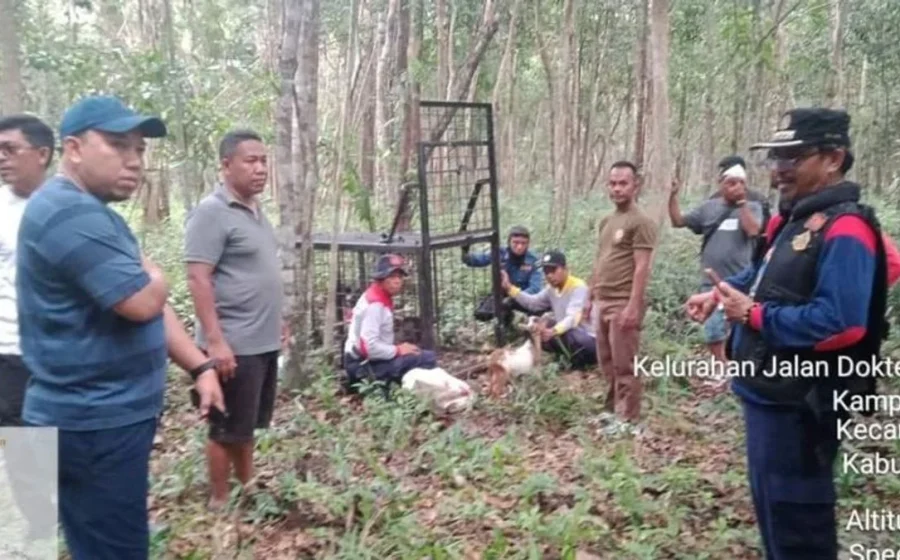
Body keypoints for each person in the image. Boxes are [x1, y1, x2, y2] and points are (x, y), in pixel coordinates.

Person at [16, 95, 225, 560]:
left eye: (140, 150)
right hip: (94, 423)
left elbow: (149, 306)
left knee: (92, 539)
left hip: (96, 418)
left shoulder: (91, 212)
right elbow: (142, 300)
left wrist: (200, 365)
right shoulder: (70, 213)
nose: (134, 161)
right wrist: (158, 276)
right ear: (73, 148)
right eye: (117, 145)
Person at [684, 108, 888, 559]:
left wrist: (755, 316)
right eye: (775, 158)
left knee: (799, 530)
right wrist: (721, 296)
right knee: (774, 520)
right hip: (765, 397)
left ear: (833, 158)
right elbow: (762, 276)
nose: (778, 170)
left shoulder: (846, 228)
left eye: (793, 157)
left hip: (801, 409)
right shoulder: (793, 220)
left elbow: (842, 322)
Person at [184, 129, 287, 511]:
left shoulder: (257, 212)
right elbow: (198, 277)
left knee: (246, 425)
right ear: (226, 165)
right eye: (251, 160)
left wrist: (277, 321)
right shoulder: (211, 212)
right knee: (225, 428)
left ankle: (248, 486)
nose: (260, 168)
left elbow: (257, 273)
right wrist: (215, 340)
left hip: (261, 341)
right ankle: (219, 502)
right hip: (232, 344)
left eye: (264, 160)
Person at [669, 155, 764, 364]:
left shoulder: (753, 207)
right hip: (710, 282)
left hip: (741, 281)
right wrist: (672, 196)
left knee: (739, 329)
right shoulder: (708, 208)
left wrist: (742, 204)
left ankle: (735, 369)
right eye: (731, 183)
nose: (737, 187)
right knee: (713, 332)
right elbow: (678, 221)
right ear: (721, 184)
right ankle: (721, 366)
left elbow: (753, 230)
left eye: (741, 183)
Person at [589, 160, 658, 436]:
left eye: (623, 183)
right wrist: (590, 294)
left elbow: (642, 267)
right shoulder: (607, 221)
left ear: (635, 186)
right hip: (602, 300)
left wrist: (633, 305)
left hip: (622, 301)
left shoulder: (641, 222)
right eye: (613, 183)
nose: (617, 189)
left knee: (625, 363)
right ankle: (610, 412)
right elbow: (601, 258)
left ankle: (628, 419)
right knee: (606, 361)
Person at [0, 115, 54, 426]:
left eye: (10, 149)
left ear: (42, 154)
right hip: (11, 351)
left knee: (57, 452)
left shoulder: (70, 205)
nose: (1, 157)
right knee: (24, 451)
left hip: (61, 353)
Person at [343, 254, 438, 389]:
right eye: (392, 277)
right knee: (427, 359)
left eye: (399, 277)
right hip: (363, 366)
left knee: (419, 353)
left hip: (368, 360)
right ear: (380, 279)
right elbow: (368, 348)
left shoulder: (379, 296)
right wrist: (397, 350)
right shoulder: (375, 306)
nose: (397, 281)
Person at [500, 250, 597, 370]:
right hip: (567, 334)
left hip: (590, 339)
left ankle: (578, 362)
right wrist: (510, 288)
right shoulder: (551, 290)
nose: (550, 275)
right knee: (540, 327)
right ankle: (567, 357)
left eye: (553, 270)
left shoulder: (578, 287)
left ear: (565, 268)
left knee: (568, 332)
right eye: (546, 272)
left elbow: (573, 319)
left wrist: (553, 331)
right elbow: (533, 303)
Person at [464, 225, 543, 325]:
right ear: (509, 242)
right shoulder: (500, 253)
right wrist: (465, 251)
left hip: (523, 296)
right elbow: (479, 260)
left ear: (528, 244)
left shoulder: (534, 260)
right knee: (481, 314)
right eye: (516, 242)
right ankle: (506, 320)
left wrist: (514, 298)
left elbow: (535, 289)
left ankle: (527, 327)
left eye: (523, 243)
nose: (519, 247)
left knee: (537, 309)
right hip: (501, 295)